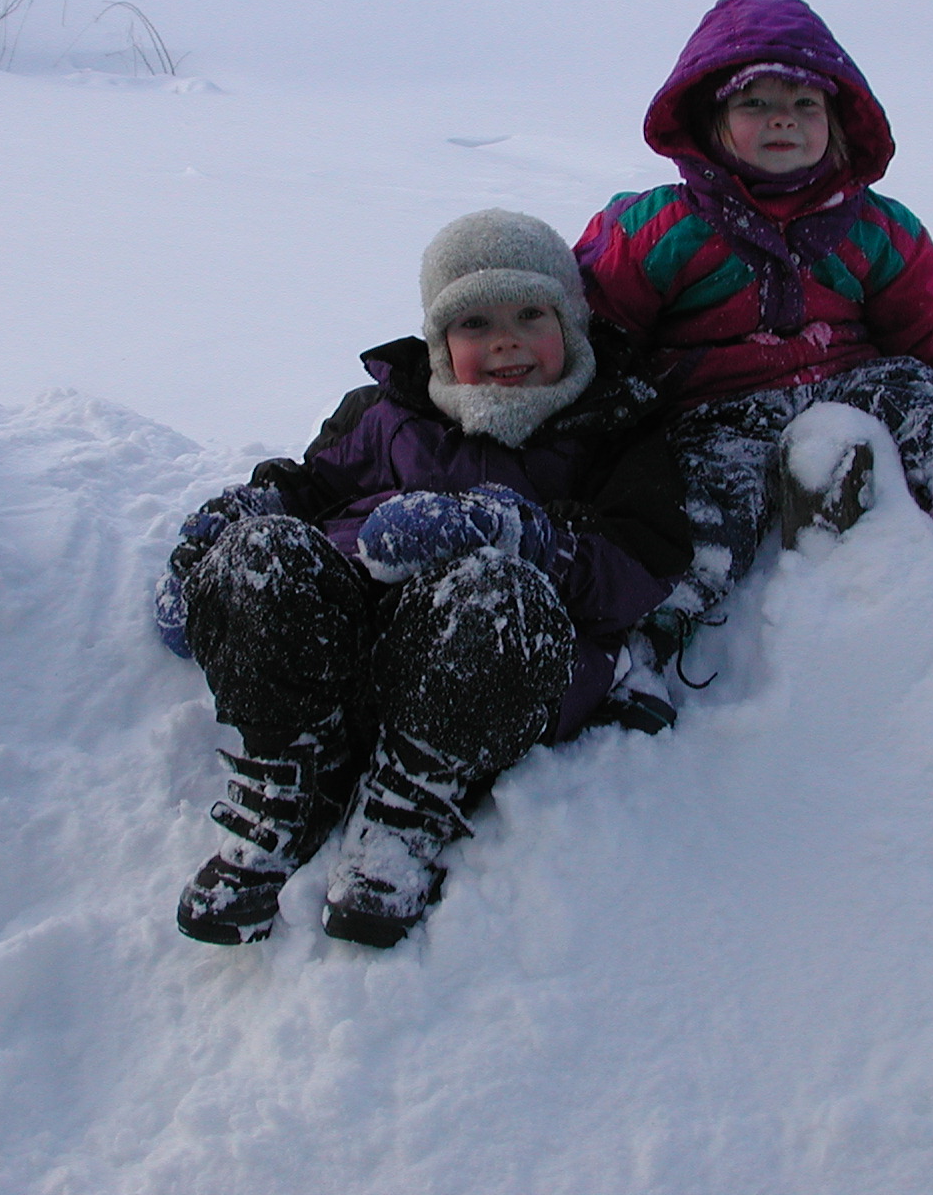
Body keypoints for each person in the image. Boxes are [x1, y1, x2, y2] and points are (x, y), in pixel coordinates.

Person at [575, 0, 933, 721]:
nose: (783, 118)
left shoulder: (876, 228)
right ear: (711, 122)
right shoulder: (658, 226)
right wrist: (588, 444)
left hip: (852, 392)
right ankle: (639, 655)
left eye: (804, 104)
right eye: (755, 102)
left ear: (838, 121)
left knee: (916, 392)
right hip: (716, 415)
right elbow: (595, 329)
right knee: (697, 516)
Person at [153, 210, 690, 949]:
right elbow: (308, 486)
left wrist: (521, 535)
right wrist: (229, 531)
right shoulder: (390, 413)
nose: (504, 341)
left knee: (495, 594)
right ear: (440, 341)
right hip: (348, 653)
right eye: (474, 322)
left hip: (480, 678)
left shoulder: (614, 424)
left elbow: (642, 564)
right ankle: (291, 771)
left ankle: (409, 804)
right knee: (262, 554)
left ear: (571, 320)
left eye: (530, 314)